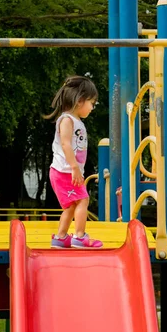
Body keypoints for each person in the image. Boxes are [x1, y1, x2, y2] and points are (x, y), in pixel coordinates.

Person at [45, 75, 103, 249]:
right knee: (83, 200)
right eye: (91, 103)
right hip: (65, 171)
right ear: (80, 101)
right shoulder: (67, 120)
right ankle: (79, 236)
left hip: (65, 171)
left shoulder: (75, 121)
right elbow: (65, 144)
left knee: (71, 205)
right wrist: (74, 168)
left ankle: (61, 237)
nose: (92, 108)